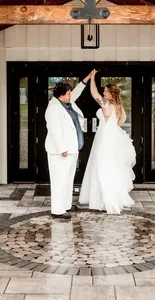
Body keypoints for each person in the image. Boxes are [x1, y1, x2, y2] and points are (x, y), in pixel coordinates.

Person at [79, 69, 136, 214]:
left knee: (102, 166)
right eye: (104, 91)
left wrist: (92, 78)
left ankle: (103, 199)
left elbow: (94, 94)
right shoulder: (118, 106)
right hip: (113, 137)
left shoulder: (107, 104)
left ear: (111, 94)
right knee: (111, 166)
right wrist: (112, 126)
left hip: (104, 138)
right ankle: (110, 196)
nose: (103, 93)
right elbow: (122, 119)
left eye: (105, 91)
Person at [44, 71, 94, 219]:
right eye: (68, 94)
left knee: (68, 179)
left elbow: (76, 92)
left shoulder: (67, 103)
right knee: (59, 179)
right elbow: (54, 130)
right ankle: (57, 209)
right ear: (61, 95)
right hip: (61, 151)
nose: (71, 95)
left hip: (72, 149)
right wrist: (62, 149)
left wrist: (86, 79)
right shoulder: (54, 108)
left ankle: (65, 204)